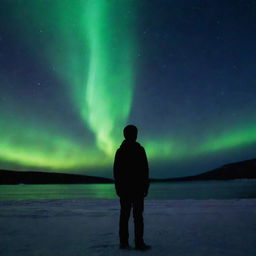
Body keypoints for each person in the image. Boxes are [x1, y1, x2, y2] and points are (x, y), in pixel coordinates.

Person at [113, 125, 151, 250]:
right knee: (133, 216)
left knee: (128, 216)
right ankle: (134, 243)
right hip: (132, 189)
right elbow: (117, 171)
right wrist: (145, 185)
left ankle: (128, 242)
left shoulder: (125, 151)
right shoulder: (136, 150)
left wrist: (118, 187)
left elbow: (144, 170)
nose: (135, 135)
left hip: (131, 189)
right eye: (134, 133)